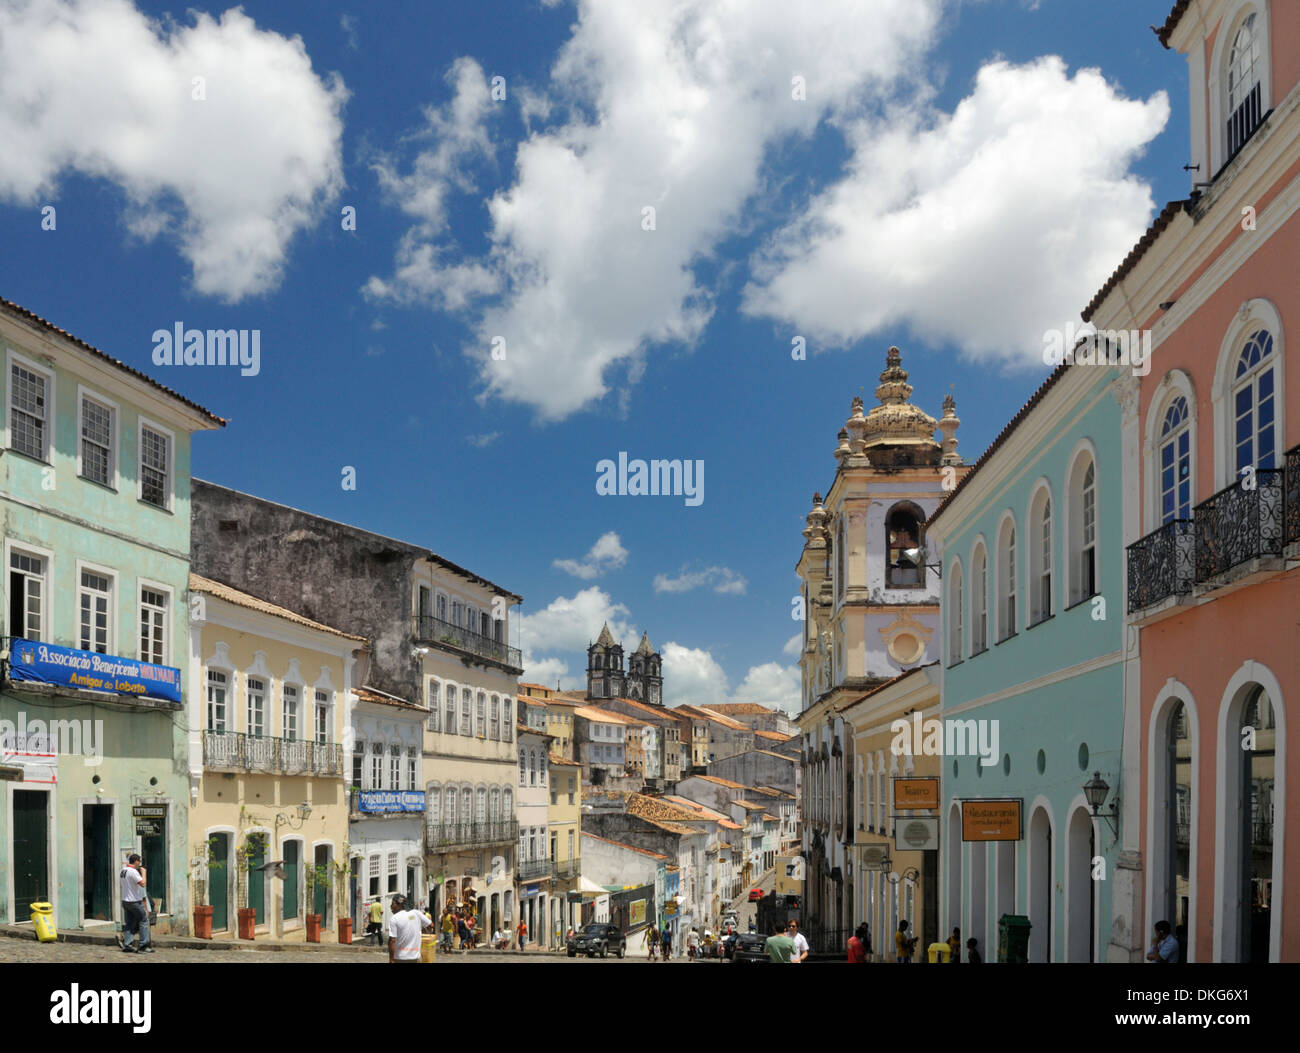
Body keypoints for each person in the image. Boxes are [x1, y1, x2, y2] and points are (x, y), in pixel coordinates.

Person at [119, 853, 153, 953]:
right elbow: (142, 883)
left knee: (129, 923)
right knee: (143, 920)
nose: (140, 864)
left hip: (125, 900)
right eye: (139, 862)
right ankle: (143, 945)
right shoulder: (133, 871)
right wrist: (144, 872)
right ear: (136, 861)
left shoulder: (123, 870)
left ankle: (127, 944)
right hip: (134, 901)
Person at [387, 894, 431, 963]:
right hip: (415, 957)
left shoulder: (394, 918)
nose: (391, 906)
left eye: (393, 904)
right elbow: (430, 925)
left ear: (399, 905)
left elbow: (392, 940)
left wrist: (391, 959)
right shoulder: (416, 913)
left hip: (400, 958)